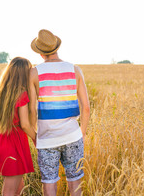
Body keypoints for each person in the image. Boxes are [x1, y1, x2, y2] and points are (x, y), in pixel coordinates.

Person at [29, 29, 90, 196]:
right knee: (75, 181)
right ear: (56, 48)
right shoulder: (75, 70)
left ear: (41, 53)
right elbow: (86, 107)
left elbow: (32, 111)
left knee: (49, 183)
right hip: (73, 135)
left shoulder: (34, 73)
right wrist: (82, 133)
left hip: (47, 139)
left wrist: (36, 135)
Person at [0, 57, 37, 196]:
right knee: (9, 192)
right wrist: (37, 138)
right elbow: (24, 124)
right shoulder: (21, 94)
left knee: (19, 189)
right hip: (15, 146)